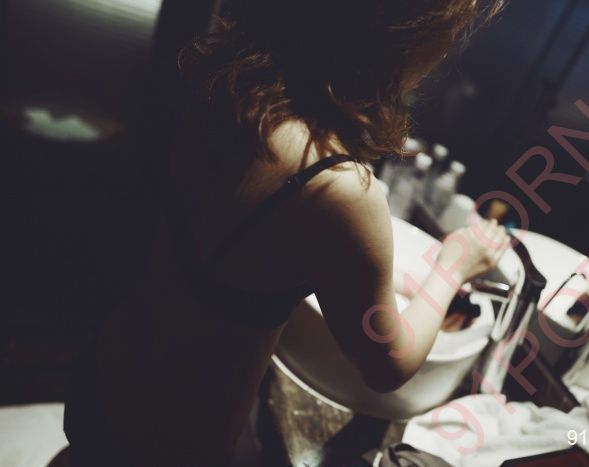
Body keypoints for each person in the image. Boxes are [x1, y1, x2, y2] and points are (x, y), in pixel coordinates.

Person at [62, 1, 506, 466]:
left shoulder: (224, 88)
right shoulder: (335, 185)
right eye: (446, 35)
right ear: (400, 37)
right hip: (173, 437)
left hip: (106, 375)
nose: (443, 53)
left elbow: (250, 255)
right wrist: (453, 265)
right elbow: (387, 363)